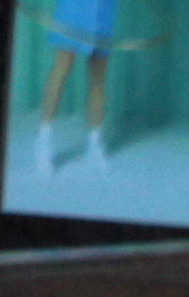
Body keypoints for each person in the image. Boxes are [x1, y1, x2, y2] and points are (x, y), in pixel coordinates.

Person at [32, 0, 126, 170]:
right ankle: (43, 140)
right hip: (74, 8)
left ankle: (95, 141)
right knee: (62, 68)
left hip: (103, 11)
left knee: (98, 76)